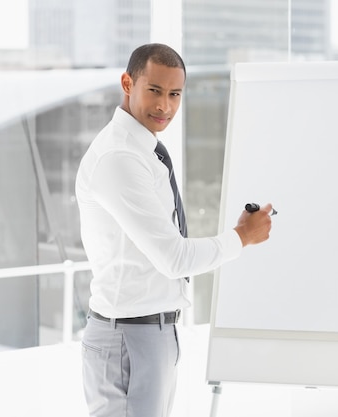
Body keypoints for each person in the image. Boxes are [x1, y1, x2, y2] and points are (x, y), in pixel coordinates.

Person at [75, 43, 273, 417]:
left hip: (151, 332)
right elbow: (173, 258)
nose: (164, 106)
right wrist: (241, 237)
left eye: (174, 94)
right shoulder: (120, 158)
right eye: (154, 91)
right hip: (129, 336)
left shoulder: (145, 152)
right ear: (127, 83)